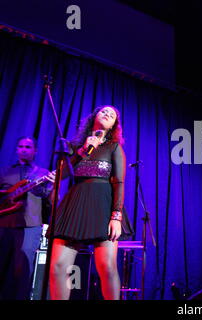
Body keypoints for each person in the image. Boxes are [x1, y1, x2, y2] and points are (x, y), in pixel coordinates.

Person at [48, 105, 134, 300]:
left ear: (114, 125)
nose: (107, 114)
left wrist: (116, 215)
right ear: (94, 116)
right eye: (103, 111)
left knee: (107, 267)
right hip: (75, 203)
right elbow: (62, 174)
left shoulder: (113, 147)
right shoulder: (75, 146)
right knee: (58, 266)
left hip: (103, 205)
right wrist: (81, 151)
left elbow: (119, 182)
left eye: (112, 115)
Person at [0, 136, 55, 300]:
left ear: (35, 151)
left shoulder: (42, 173)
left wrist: (48, 185)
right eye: (21, 146)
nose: (24, 149)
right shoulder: (4, 171)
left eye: (28, 147)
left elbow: (46, 196)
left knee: (22, 268)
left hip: (30, 225)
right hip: (4, 223)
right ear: (17, 149)